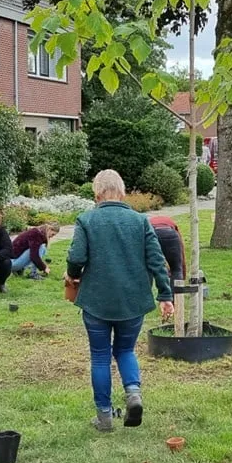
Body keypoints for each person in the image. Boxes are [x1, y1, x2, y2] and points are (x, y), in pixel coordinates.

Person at [66, 170, 174, 432]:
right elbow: (156, 260)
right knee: (125, 350)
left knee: (100, 357)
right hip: (133, 301)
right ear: (123, 193)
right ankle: (133, 393)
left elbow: (77, 257)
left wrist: (72, 275)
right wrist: (165, 295)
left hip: (96, 301)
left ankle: (104, 417)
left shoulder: (87, 220)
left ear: (97, 193)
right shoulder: (140, 221)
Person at [149, 215, 186, 282]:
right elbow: (181, 249)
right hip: (170, 233)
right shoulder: (172, 223)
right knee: (176, 269)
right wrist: (183, 274)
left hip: (153, 233)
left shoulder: (147, 223)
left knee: (147, 269)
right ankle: (177, 291)